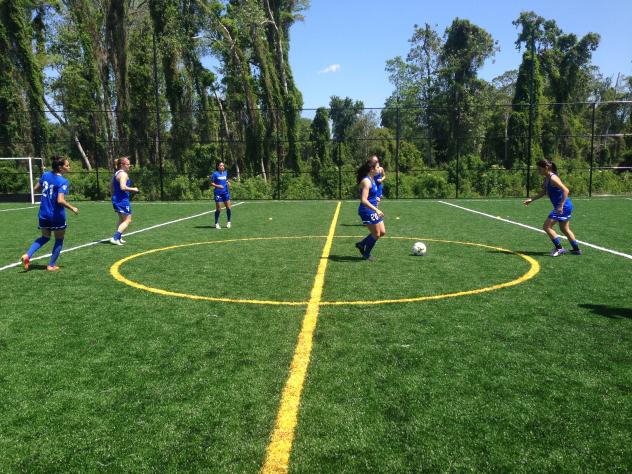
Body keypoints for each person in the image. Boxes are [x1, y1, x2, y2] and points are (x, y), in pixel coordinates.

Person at [21, 156, 79, 271]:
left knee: (45, 237)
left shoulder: (46, 175)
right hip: (56, 215)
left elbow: (36, 188)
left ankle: (27, 255)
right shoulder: (63, 181)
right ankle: (51, 265)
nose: (69, 167)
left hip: (43, 213)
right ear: (60, 168)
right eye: (67, 165)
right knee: (59, 239)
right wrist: (72, 208)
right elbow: (60, 200)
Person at [524, 159, 582, 257]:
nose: (538, 171)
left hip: (563, 206)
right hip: (564, 206)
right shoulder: (547, 178)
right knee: (564, 229)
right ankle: (576, 249)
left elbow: (566, 190)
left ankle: (559, 248)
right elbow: (543, 192)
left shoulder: (553, 178)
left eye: (539, 169)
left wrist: (561, 205)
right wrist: (531, 199)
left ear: (546, 168)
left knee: (546, 226)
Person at [355, 156, 385, 261]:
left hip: (372, 208)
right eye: (377, 167)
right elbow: (364, 200)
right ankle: (366, 254)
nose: (379, 168)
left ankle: (362, 244)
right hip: (366, 210)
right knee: (376, 234)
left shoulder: (372, 178)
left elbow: (372, 196)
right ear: (372, 169)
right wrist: (376, 209)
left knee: (382, 232)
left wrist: (376, 199)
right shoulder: (366, 181)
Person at [110, 157, 139, 245]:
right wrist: (134, 189)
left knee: (121, 219)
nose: (129, 166)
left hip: (117, 199)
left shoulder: (116, 173)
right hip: (122, 200)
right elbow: (123, 187)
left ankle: (119, 237)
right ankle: (115, 238)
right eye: (127, 164)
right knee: (128, 220)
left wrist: (113, 196)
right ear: (122, 165)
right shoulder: (123, 174)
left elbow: (111, 186)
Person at [210, 161, 232, 229]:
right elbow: (211, 183)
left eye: (223, 165)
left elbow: (226, 180)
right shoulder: (215, 174)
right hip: (218, 193)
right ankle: (216, 223)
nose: (222, 166)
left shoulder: (225, 173)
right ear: (218, 166)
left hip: (225, 192)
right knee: (219, 209)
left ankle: (228, 222)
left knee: (228, 208)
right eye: (221, 165)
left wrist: (228, 182)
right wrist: (218, 186)